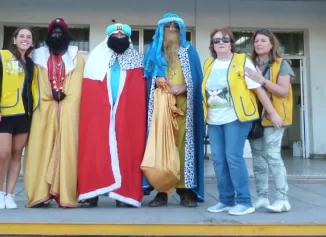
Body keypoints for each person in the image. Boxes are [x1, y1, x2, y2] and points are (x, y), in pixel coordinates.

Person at [202, 28, 277, 216]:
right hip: (214, 119)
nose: (221, 42)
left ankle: (244, 201)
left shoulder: (242, 61)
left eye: (225, 40)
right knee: (219, 160)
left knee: (233, 158)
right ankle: (226, 200)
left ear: (231, 43)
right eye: (216, 40)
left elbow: (258, 89)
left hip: (237, 117)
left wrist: (272, 113)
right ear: (212, 45)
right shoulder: (209, 64)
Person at [78, 23, 147, 208]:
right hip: (99, 112)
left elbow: (139, 91)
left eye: (122, 35)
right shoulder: (95, 57)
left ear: (128, 38)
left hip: (128, 114)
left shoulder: (137, 60)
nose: (118, 38)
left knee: (128, 149)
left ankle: (124, 195)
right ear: (108, 37)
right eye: (115, 36)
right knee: (94, 149)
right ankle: (91, 194)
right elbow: (89, 89)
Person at [142, 13, 204, 208]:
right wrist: (157, 81)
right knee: (162, 149)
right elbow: (145, 79)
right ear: (161, 29)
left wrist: (185, 87)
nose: (171, 29)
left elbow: (198, 80)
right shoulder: (153, 51)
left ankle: (186, 191)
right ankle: (162, 192)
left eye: (175, 26)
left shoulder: (189, 52)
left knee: (183, 149)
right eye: (167, 26)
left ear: (181, 30)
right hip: (160, 110)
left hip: (185, 109)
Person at [23, 18, 85, 208]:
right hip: (44, 109)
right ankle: (39, 193)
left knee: (68, 150)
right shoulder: (37, 56)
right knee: (40, 148)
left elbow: (78, 84)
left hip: (68, 110)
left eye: (61, 32)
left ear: (67, 35)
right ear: (48, 36)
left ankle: (65, 194)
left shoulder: (77, 57)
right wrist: (50, 95)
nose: (57, 35)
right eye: (54, 32)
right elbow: (36, 84)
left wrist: (66, 98)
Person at [244, 29, 293, 213]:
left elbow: (283, 91)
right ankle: (262, 196)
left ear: (272, 44)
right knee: (258, 159)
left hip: (274, 117)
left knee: (273, 157)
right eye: (256, 41)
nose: (259, 44)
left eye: (263, 41)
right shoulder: (249, 63)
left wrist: (261, 80)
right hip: (254, 118)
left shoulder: (281, 64)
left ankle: (282, 198)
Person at [0, 27, 34, 210]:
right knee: (3, 153)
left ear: (32, 42)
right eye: (21, 36)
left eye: (28, 37)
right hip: (4, 113)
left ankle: (9, 194)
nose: (25, 39)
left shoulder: (30, 63)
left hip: (24, 115)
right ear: (14, 39)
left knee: (16, 154)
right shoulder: (2, 55)